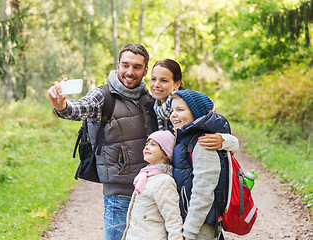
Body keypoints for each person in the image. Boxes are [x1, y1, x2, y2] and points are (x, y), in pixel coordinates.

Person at [47, 44, 157, 240]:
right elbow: (79, 108)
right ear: (117, 66)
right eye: (125, 65)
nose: (130, 72)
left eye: (137, 67)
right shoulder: (103, 96)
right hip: (119, 193)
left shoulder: (149, 99)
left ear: (145, 70)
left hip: (150, 192)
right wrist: (61, 105)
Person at [170, 90, 232, 240]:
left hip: (200, 227)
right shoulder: (185, 139)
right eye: (172, 110)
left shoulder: (203, 144)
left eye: (180, 110)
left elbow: (203, 192)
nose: (173, 114)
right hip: (191, 221)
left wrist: (190, 231)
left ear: (196, 112)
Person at [150, 59, 238, 152]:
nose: (156, 85)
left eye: (163, 80)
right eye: (153, 79)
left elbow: (229, 139)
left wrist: (224, 140)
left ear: (177, 84)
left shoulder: (193, 106)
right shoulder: (150, 106)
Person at [122, 130, 183, 240]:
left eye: (153, 144)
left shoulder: (164, 181)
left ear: (165, 153)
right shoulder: (145, 175)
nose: (147, 147)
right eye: (146, 144)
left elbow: (173, 218)